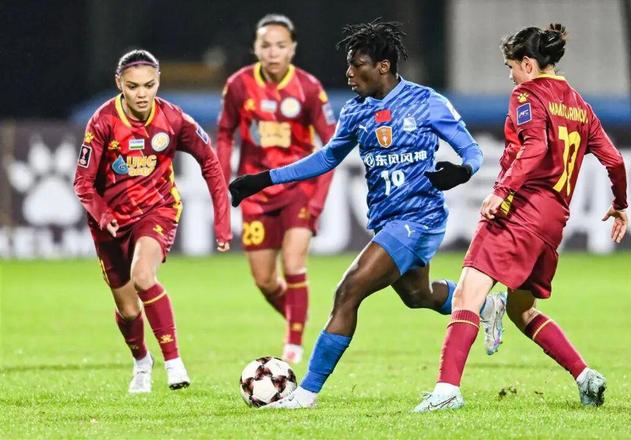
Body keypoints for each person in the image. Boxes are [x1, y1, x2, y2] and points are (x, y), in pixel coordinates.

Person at [229, 20, 507, 409]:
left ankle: (305, 394)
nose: (348, 72)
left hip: (419, 218)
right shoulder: (355, 111)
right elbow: (327, 157)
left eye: (357, 64)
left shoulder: (426, 102)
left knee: (348, 292)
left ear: (383, 66)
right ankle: (485, 305)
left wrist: (462, 171)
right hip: (387, 220)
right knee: (418, 296)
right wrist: (263, 179)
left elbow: (472, 151)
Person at [413, 24, 628, 412]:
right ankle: (585, 376)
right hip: (552, 225)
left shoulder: (528, 94)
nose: (510, 76)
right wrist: (621, 204)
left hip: (519, 212)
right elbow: (614, 160)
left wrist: (501, 191)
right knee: (521, 309)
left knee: (466, 294)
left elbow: (535, 146)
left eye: (511, 66)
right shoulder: (580, 106)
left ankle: (447, 391)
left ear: (528, 64)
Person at [73, 49, 232, 393]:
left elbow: (210, 163)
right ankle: (142, 362)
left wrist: (222, 221)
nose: (142, 94)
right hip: (109, 222)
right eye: (133, 87)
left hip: (156, 210)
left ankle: (174, 363)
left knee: (143, 276)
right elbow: (82, 183)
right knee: (129, 311)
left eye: (149, 85)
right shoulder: (102, 121)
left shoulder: (174, 119)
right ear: (119, 84)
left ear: (158, 82)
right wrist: (103, 214)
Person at [217, 14, 337, 364]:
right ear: (255, 48)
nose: (273, 52)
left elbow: (332, 145)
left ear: (292, 49)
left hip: (298, 188)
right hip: (255, 192)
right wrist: (222, 182)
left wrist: (317, 201)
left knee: (294, 263)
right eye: (266, 45)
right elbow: (224, 134)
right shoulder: (239, 85)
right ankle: (298, 316)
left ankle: (294, 345)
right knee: (265, 280)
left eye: (280, 45)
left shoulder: (309, 88)